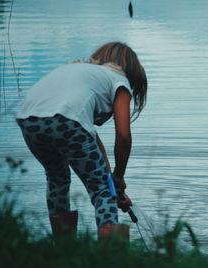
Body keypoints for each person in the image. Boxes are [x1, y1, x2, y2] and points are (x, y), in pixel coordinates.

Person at [16, 41, 147, 238]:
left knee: (57, 179)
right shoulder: (119, 79)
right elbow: (123, 136)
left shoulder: (78, 70)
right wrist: (116, 179)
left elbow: (89, 136)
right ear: (131, 72)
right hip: (67, 122)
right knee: (103, 191)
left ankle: (64, 248)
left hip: (29, 121)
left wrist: (112, 181)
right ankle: (110, 254)